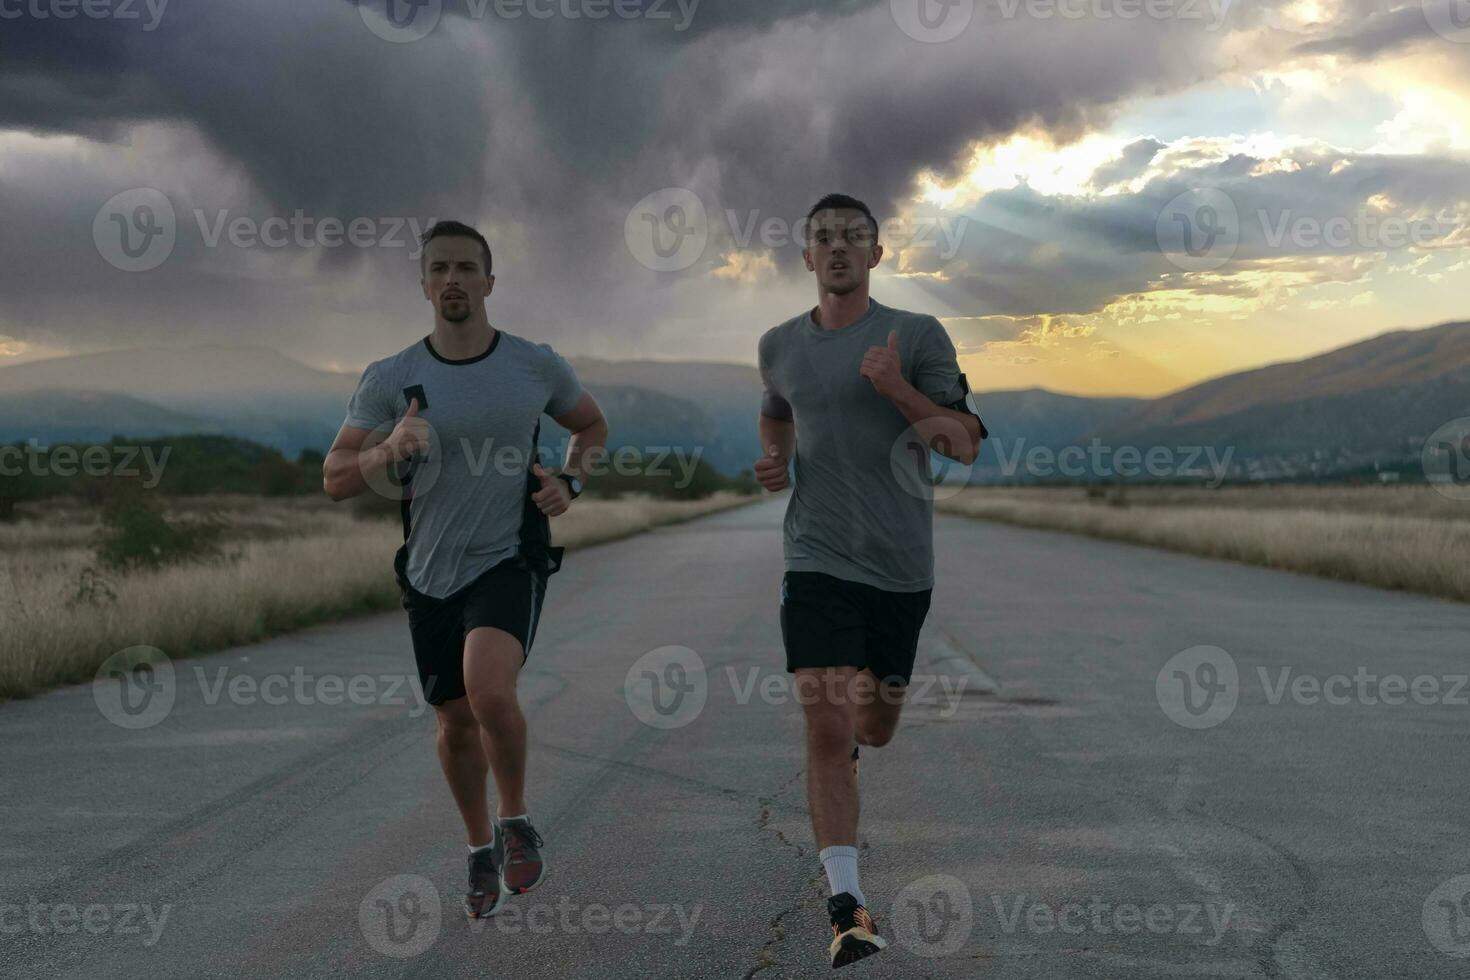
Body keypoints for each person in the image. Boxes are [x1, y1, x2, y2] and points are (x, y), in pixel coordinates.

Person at [323, 220, 608, 919]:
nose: (452, 279)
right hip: (428, 571)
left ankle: (514, 821)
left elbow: (591, 429)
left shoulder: (534, 364)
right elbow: (334, 478)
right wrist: (388, 449)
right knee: (452, 721)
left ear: (488, 282)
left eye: (465, 268)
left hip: (509, 556)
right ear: (423, 285)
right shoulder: (390, 378)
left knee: (488, 693)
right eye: (438, 269)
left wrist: (570, 484)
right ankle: (478, 846)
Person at [753, 194, 986, 967]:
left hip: (899, 571)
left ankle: (856, 746)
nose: (839, 247)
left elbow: (964, 445)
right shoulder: (778, 344)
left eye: (854, 236)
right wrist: (775, 457)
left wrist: (896, 389)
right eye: (824, 237)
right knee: (824, 724)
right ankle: (847, 907)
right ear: (808, 257)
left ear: (877, 254)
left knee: (871, 727)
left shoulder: (915, 336)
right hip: (814, 559)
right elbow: (777, 409)